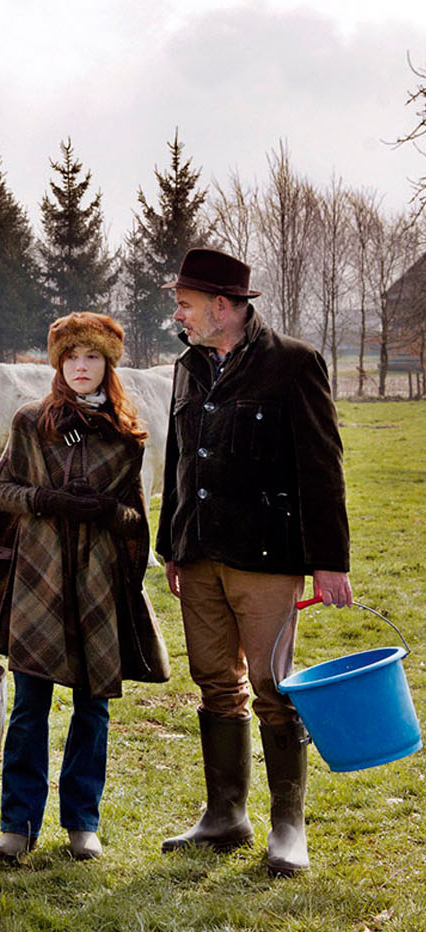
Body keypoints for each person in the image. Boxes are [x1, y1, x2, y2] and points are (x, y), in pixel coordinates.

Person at [156, 247, 352, 878]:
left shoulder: (293, 364)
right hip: (199, 551)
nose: (178, 315)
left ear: (223, 305)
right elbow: (176, 460)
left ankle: (287, 826)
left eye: (185, 304)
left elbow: (322, 468)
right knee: (216, 682)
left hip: (267, 555)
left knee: (271, 688)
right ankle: (225, 815)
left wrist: (329, 560)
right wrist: (171, 544)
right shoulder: (188, 366)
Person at [0, 312, 170, 863]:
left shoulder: (127, 437)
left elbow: (136, 517)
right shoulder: (30, 423)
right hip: (40, 579)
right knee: (30, 705)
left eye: (93, 358)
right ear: (59, 364)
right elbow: (1, 492)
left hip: (98, 582)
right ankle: (18, 823)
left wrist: (108, 510)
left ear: (108, 365)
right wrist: (48, 501)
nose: (81, 368)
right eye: (72, 358)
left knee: (93, 707)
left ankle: (83, 822)